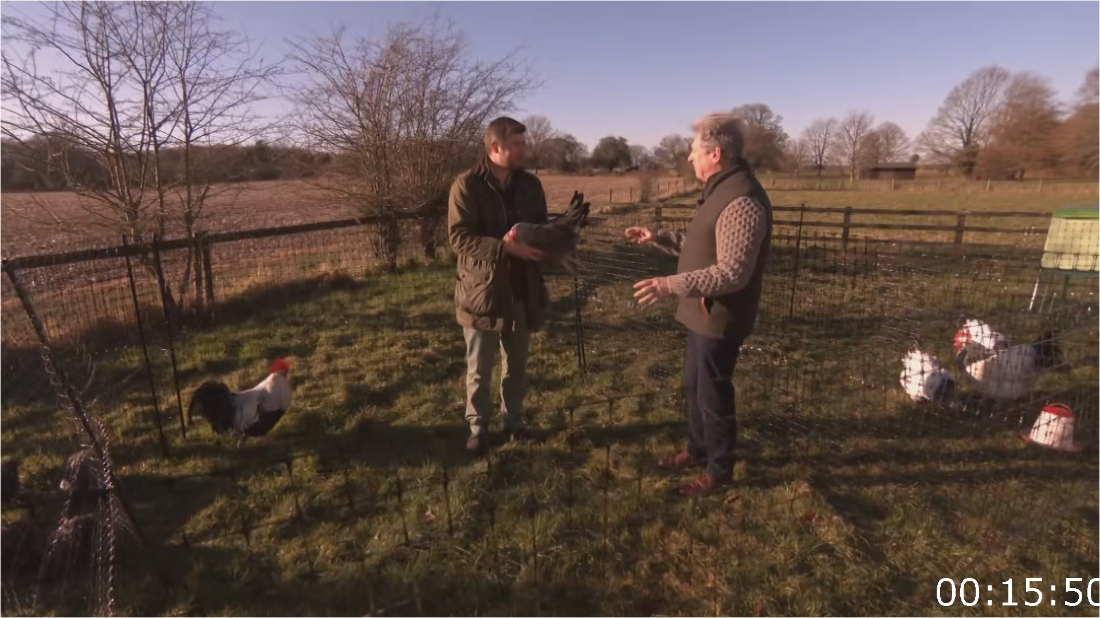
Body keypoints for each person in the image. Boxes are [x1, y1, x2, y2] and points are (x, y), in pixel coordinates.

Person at [625, 113, 773, 497]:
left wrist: (669, 284)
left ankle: (719, 472)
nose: (690, 158)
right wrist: (657, 237)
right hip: (701, 314)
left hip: (719, 317)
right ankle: (697, 449)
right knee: (695, 386)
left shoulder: (742, 200)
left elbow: (732, 273)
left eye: (694, 152)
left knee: (713, 395)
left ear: (716, 153)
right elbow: (701, 245)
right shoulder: (719, 190)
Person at [448, 117, 550, 454]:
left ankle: (515, 422)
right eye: (517, 144)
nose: (524, 149)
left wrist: (552, 242)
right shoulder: (467, 185)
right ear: (495, 147)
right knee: (480, 367)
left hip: (521, 287)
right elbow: (460, 238)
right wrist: (504, 247)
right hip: (482, 292)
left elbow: (541, 228)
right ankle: (478, 427)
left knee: (517, 364)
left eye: (524, 143)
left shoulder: (531, 185)